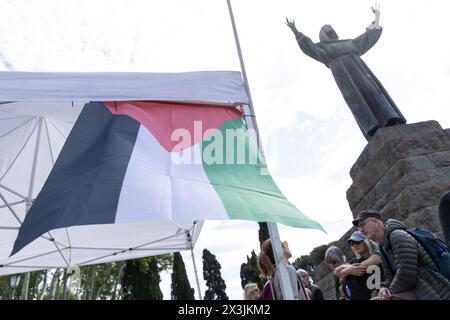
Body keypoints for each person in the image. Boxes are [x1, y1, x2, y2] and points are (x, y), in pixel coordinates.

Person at [286, 4, 406, 141]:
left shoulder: (350, 43)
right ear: (323, 35)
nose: (331, 31)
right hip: (344, 77)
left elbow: (368, 36)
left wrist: (377, 17)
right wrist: (295, 31)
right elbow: (308, 47)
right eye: (327, 30)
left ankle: (390, 118)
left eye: (331, 29)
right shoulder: (322, 49)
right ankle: (373, 127)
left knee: (373, 92)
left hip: (361, 72)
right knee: (358, 100)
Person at [353, 209, 450, 300]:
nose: (360, 230)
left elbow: (407, 273)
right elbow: (389, 276)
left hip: (433, 291)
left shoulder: (397, 236)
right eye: (359, 227)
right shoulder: (382, 247)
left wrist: (389, 292)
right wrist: (384, 287)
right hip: (415, 291)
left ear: (376, 222)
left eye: (363, 224)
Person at [335, 231, 380, 300]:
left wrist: (349, 270)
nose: (354, 246)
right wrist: (349, 270)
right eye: (352, 244)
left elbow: (376, 259)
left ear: (365, 241)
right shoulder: (354, 262)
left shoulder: (377, 255)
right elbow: (337, 271)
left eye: (357, 242)